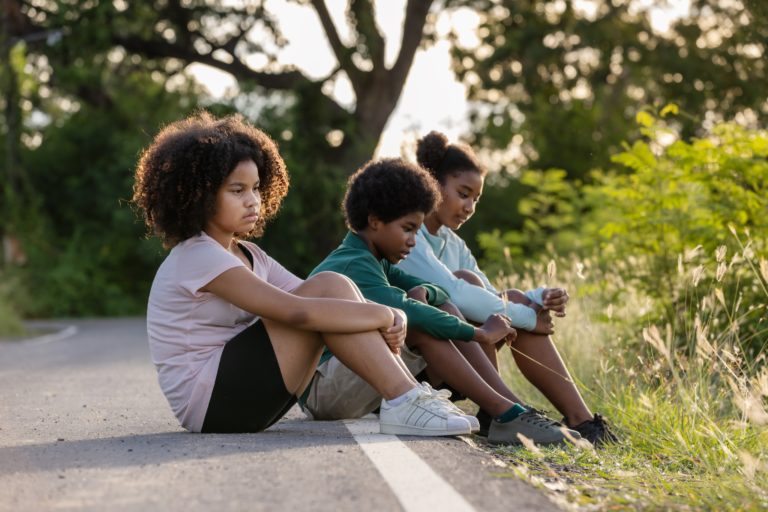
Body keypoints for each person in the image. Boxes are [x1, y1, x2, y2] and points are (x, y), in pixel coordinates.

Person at [131, 112, 472, 436]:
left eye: (256, 188)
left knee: (333, 285)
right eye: (237, 190)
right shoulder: (198, 254)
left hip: (247, 398)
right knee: (327, 293)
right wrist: (384, 313)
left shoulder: (248, 254)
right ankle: (404, 399)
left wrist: (385, 316)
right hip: (208, 401)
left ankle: (406, 397)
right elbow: (298, 310)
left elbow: (326, 294)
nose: (253, 201)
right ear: (200, 196)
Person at [301, 157, 580, 446]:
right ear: (374, 221)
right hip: (325, 392)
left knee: (440, 308)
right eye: (407, 229)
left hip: (354, 379)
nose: (412, 241)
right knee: (420, 325)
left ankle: (508, 411)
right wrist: (480, 333)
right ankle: (505, 413)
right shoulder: (353, 265)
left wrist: (427, 294)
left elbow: (436, 291)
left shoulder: (376, 260)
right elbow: (414, 313)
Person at [396, 130, 617, 445]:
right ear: (433, 182)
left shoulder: (454, 243)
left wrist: (537, 299)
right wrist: (528, 317)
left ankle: (582, 421)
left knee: (511, 301)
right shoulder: (410, 234)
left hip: (456, 352)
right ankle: (505, 410)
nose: (470, 206)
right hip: (415, 359)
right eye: (463, 193)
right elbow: (457, 295)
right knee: (476, 289)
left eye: (476, 198)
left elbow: (490, 297)